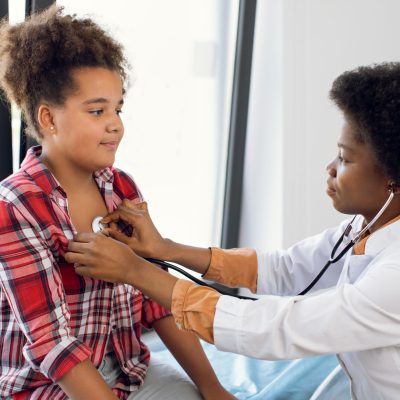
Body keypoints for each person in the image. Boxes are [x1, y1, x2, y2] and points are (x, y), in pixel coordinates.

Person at [66, 61, 400, 400]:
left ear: (393, 178)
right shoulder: (367, 227)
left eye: (344, 158)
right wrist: (165, 249)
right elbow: (284, 268)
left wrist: (136, 271)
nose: (329, 168)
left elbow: (277, 329)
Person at [0, 6, 236, 400]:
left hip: (126, 369)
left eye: (118, 108)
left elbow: (154, 300)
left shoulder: (122, 189)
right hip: (46, 385)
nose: (116, 124)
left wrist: (213, 389)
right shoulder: (17, 205)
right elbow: (51, 344)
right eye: (97, 111)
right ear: (49, 119)